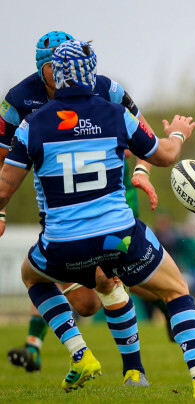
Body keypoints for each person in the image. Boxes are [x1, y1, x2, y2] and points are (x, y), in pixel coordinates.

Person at [0, 40, 195, 398]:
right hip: (119, 236)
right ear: (91, 73)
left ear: (55, 78)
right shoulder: (115, 114)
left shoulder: (32, 125)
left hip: (62, 244)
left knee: (32, 276)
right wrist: (178, 133)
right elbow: (166, 155)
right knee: (175, 290)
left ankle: (80, 353)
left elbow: (4, 188)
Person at [1, 31, 163, 384]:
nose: (62, 74)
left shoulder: (108, 89)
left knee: (104, 280)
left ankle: (130, 366)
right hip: (60, 209)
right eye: (52, 67)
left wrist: (141, 172)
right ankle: (132, 354)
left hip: (114, 201)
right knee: (89, 300)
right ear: (43, 67)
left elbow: (146, 139)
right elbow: (3, 160)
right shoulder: (17, 100)